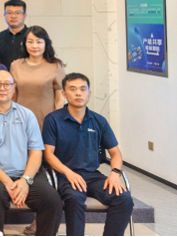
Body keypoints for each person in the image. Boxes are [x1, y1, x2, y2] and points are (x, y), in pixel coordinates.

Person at [0, 70, 62, 237]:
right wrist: (8, 182)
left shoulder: (27, 114)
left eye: (7, 84)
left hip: (26, 173)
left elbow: (36, 152)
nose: (2, 88)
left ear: (14, 88)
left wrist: (25, 180)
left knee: (52, 200)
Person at [44, 73, 134, 236]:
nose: (78, 93)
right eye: (73, 89)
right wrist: (69, 173)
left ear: (89, 93)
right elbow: (48, 154)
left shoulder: (99, 120)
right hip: (64, 175)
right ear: (64, 94)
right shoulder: (53, 119)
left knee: (123, 199)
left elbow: (115, 153)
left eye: (82, 89)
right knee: (74, 198)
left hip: (92, 176)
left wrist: (114, 174)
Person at [10, 25, 66, 130]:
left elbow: (60, 99)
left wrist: (57, 120)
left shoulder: (56, 66)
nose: (34, 46)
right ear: (24, 43)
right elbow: (13, 96)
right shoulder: (15, 65)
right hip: (19, 119)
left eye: (39, 42)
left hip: (46, 120)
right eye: (30, 42)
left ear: (46, 43)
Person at [0, 0, 28, 70]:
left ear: (24, 16)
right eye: (9, 13)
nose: (13, 16)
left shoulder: (32, 36)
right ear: (4, 15)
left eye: (17, 13)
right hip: (4, 76)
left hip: (28, 76)